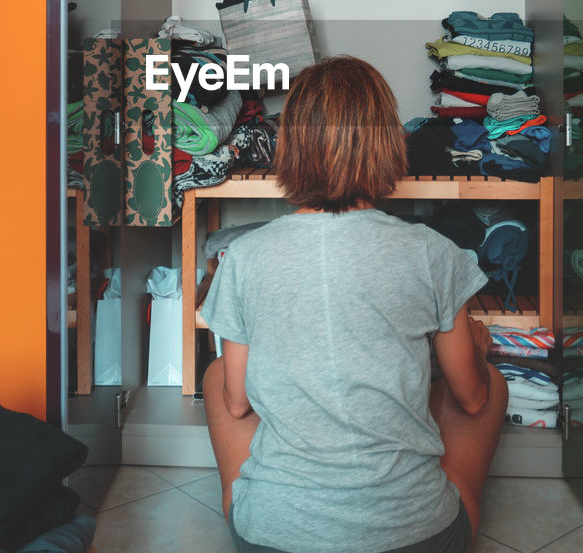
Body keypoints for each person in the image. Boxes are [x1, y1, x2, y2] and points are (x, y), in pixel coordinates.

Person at [201, 56, 508, 553]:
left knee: (219, 376)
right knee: (486, 382)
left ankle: (272, 506)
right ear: (386, 141)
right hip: (419, 538)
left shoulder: (244, 257)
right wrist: (475, 347)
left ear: (291, 145)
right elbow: (471, 398)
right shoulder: (432, 251)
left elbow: (238, 402)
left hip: (273, 540)